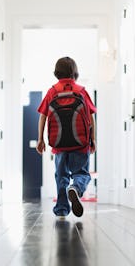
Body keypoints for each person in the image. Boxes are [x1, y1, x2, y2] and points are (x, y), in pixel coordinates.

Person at [36, 57, 97, 218]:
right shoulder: (81, 91)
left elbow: (43, 116)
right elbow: (91, 118)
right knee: (82, 173)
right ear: (74, 72)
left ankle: (62, 210)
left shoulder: (52, 91)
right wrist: (93, 139)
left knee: (61, 176)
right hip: (80, 144)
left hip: (59, 144)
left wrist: (40, 139)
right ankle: (76, 188)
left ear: (57, 72)